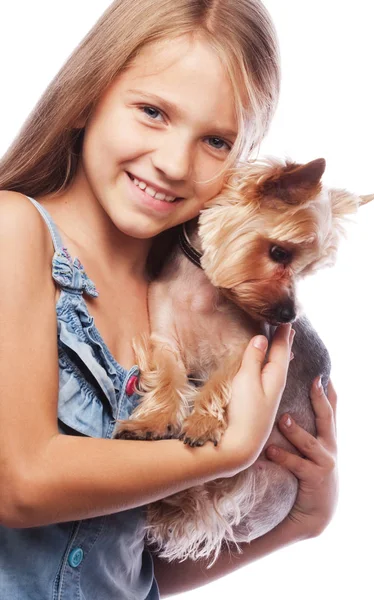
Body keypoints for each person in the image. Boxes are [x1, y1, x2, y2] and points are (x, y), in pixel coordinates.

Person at [0, 0, 338, 598]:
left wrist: (298, 524)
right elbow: (20, 484)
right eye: (152, 112)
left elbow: (129, 563)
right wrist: (222, 453)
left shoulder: (190, 308)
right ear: (86, 98)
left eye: (215, 140)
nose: (175, 164)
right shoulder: (14, 232)